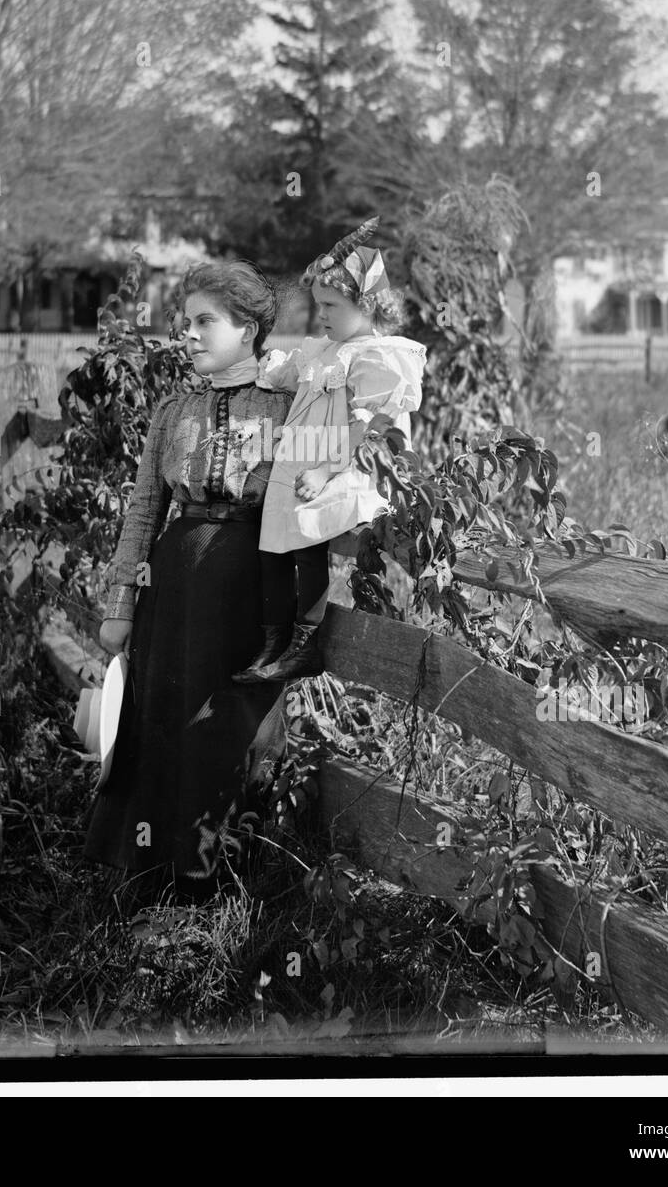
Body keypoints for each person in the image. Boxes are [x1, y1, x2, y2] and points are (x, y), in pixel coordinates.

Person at [86, 261, 295, 903]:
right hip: (171, 588)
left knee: (227, 726)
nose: (190, 335)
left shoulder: (290, 407)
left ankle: (221, 879)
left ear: (249, 329)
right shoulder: (173, 412)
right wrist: (120, 605)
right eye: (187, 323)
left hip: (247, 589)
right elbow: (145, 509)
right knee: (161, 721)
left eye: (207, 322)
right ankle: (153, 873)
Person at [233, 218, 427, 684]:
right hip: (299, 459)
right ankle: (273, 641)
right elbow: (285, 376)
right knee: (272, 548)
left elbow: (375, 427)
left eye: (332, 305)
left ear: (366, 304)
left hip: (341, 464)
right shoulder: (320, 349)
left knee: (306, 545)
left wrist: (325, 470)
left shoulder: (376, 355)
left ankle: (306, 645)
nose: (321, 314)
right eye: (318, 304)